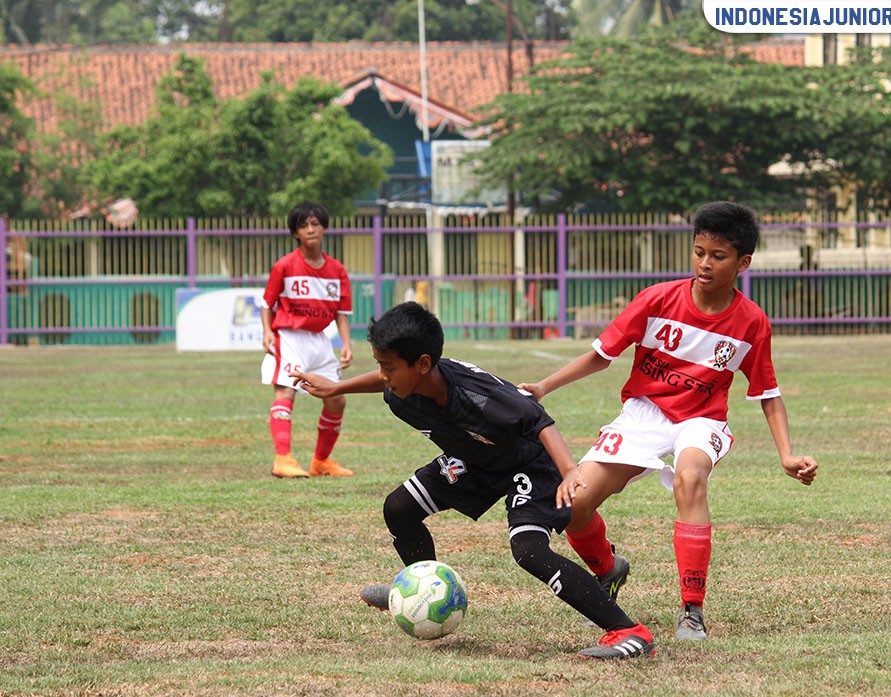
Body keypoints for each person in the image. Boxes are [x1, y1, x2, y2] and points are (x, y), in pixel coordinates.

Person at [519, 201, 819, 641]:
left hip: (702, 420)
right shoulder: (657, 299)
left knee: (690, 477)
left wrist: (787, 455)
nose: (704, 263)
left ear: (743, 262)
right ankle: (608, 570)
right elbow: (601, 357)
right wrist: (544, 387)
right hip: (643, 414)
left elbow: (767, 396)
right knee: (574, 505)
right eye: (699, 251)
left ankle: (691, 610)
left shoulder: (751, 323)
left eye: (718, 256)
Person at [291, 302, 655, 660]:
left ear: (422, 364)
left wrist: (571, 471)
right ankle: (420, 588)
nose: (383, 376)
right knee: (399, 507)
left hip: (530, 462)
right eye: (380, 366)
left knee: (529, 551)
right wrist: (335, 388)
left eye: (388, 367)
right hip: (477, 459)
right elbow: (386, 380)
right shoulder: (405, 389)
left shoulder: (479, 396)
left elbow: (538, 422)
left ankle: (628, 631)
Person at [260, 201, 354, 479]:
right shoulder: (284, 266)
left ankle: (321, 461)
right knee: (285, 393)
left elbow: (341, 313)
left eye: (315, 223)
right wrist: (267, 332)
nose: (310, 229)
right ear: (295, 233)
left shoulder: (337, 271)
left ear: (324, 228)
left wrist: (347, 344)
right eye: (303, 225)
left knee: (336, 399)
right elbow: (267, 304)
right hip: (289, 336)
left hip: (320, 340)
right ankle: (283, 459)